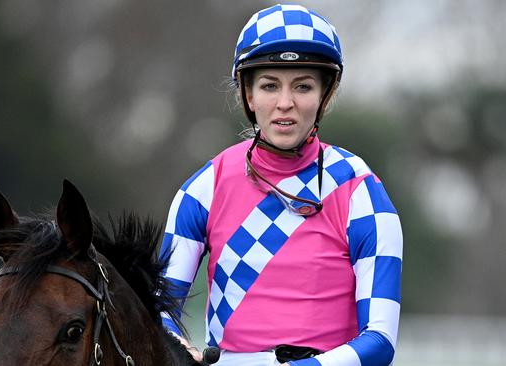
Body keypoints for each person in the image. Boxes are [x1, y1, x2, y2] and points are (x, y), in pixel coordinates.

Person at [159, 4, 402, 366]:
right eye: (270, 85)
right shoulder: (202, 189)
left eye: (302, 86)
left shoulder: (362, 192)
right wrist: (178, 348)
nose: (285, 104)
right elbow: (158, 310)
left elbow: (380, 340)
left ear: (324, 95)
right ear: (248, 95)